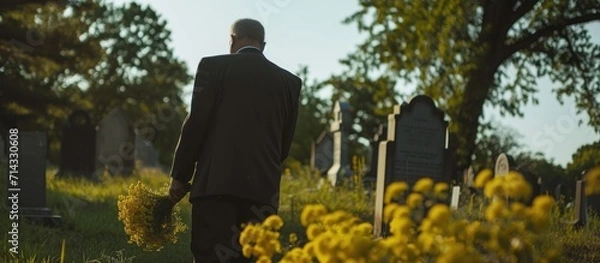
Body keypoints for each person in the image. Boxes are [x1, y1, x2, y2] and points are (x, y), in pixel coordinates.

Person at [167, 18, 301, 262]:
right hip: (262, 193)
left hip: (216, 186)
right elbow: (283, 146)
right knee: (253, 257)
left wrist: (180, 176)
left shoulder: (213, 68)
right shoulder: (290, 83)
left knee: (211, 256)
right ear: (264, 45)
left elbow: (196, 125)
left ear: (232, 40)